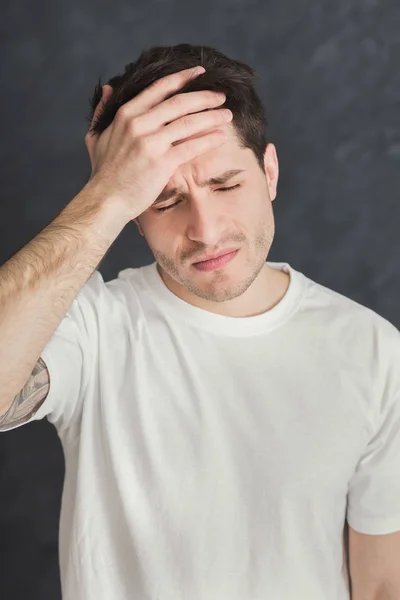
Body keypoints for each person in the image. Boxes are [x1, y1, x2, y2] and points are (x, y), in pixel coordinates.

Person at [0, 43, 399, 600]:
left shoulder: (374, 351)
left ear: (270, 172)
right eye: (165, 202)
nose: (206, 231)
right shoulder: (92, 327)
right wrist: (106, 194)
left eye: (226, 185)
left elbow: (382, 583)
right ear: (134, 216)